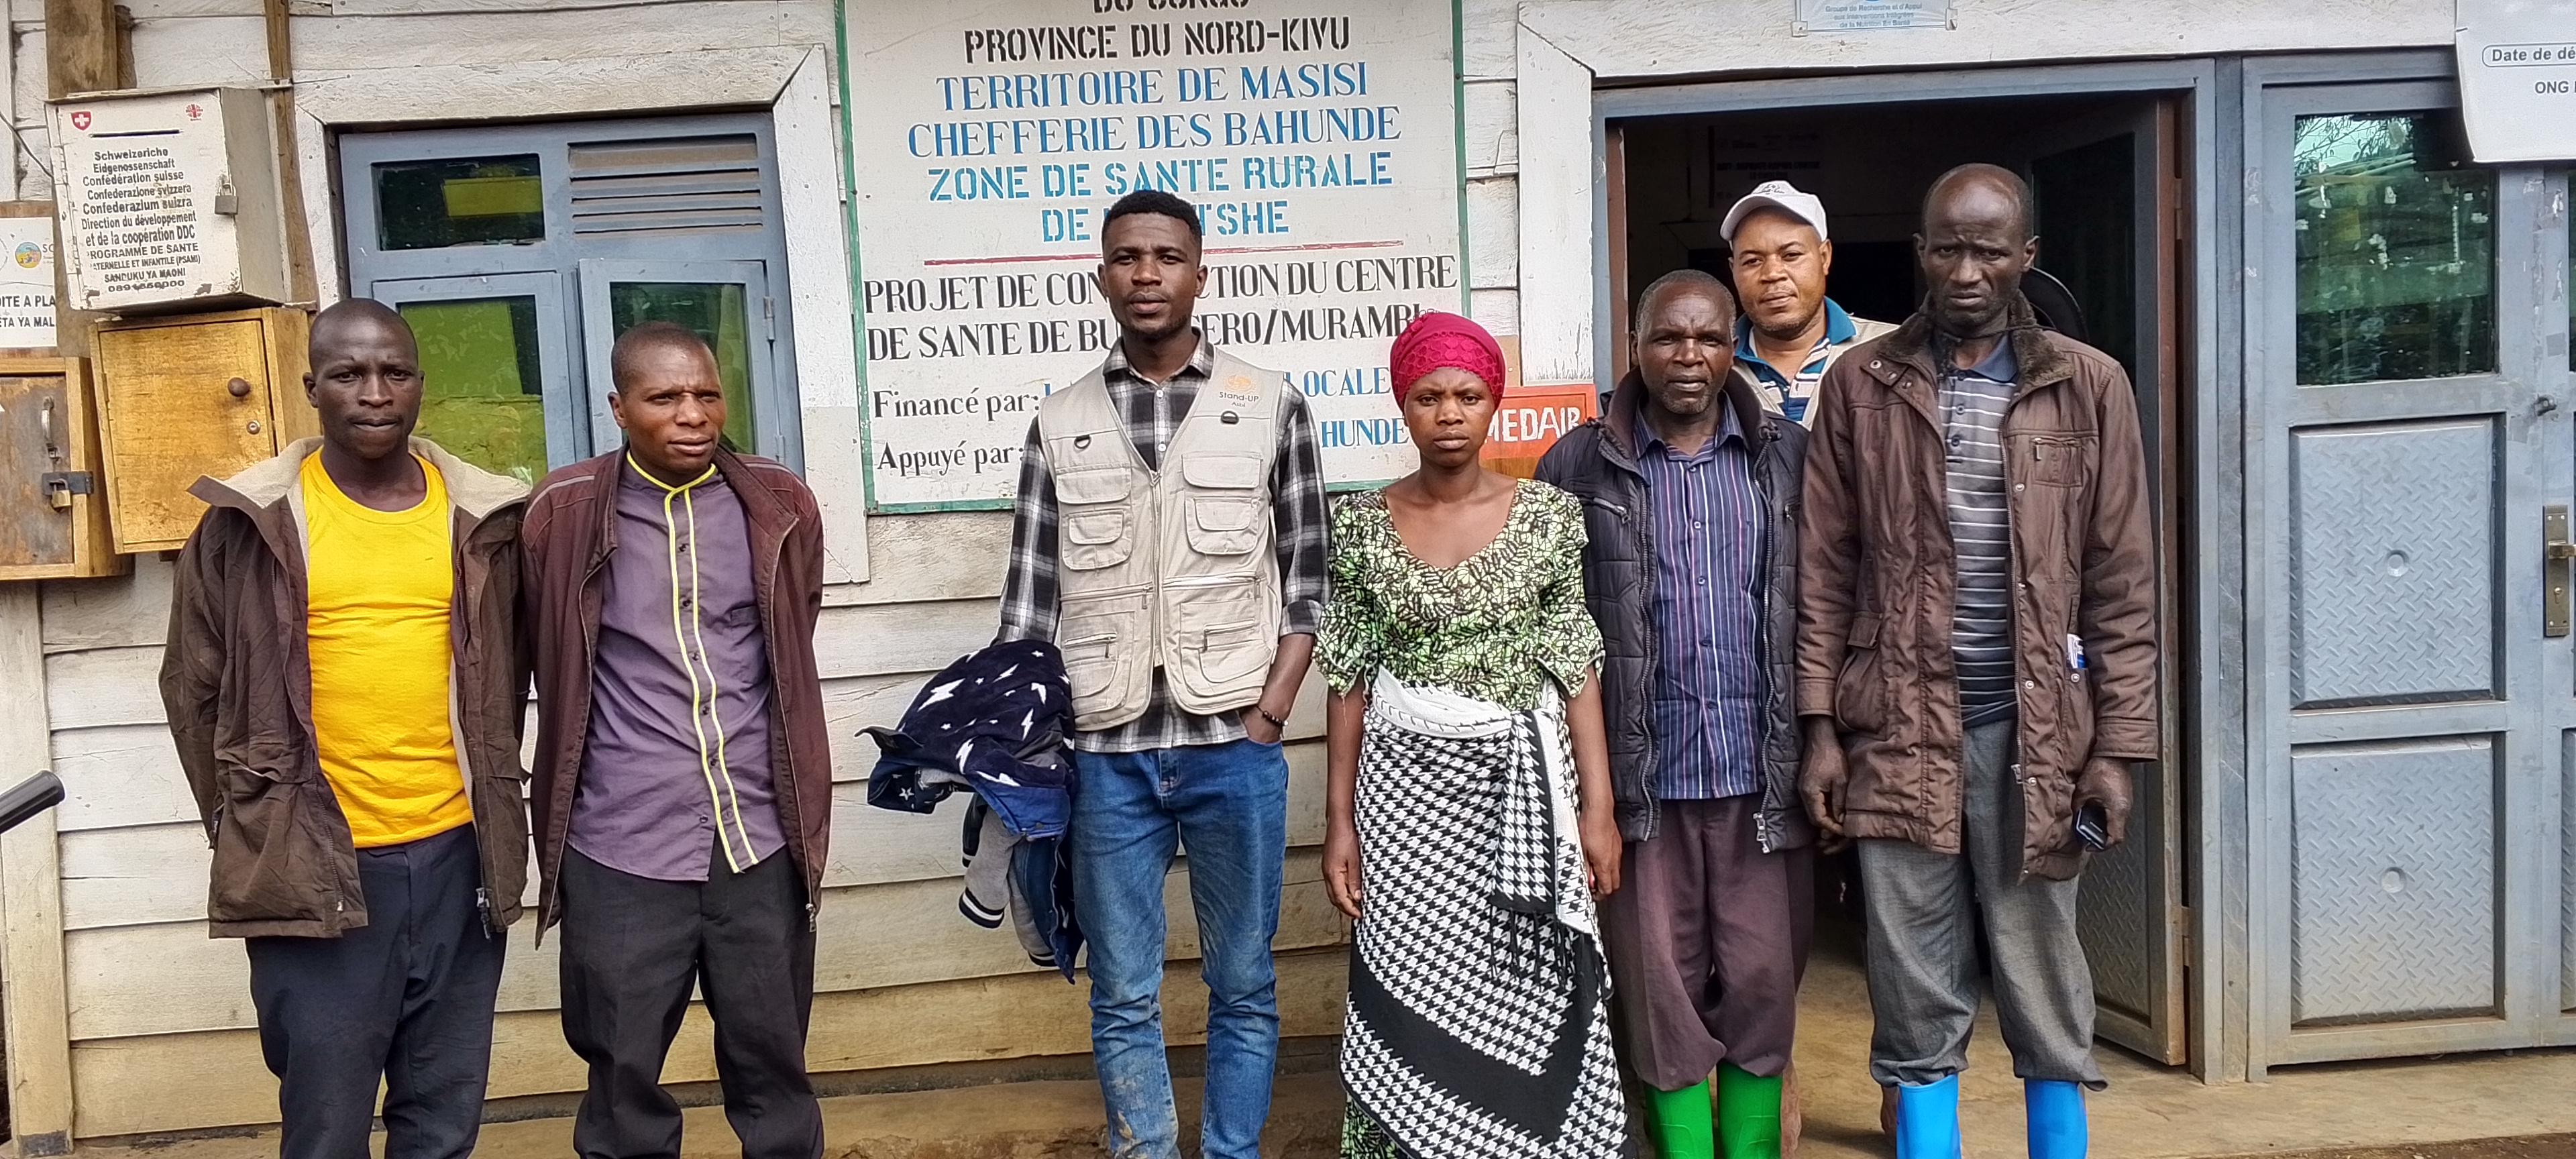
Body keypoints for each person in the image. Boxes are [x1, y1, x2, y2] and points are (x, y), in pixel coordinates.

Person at [1796, 164, 2159, 1159]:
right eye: (1948, 249)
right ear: (1920, 253)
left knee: (2041, 965)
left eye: (1989, 250)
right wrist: (1820, 729)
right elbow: (1822, 568)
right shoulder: (1861, 385)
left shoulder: (2089, 385)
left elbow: (2122, 580)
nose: (1966, 271)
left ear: (2025, 257)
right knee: (1911, 971)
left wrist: (2116, 750)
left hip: (2037, 731)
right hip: (1896, 724)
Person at [997, 188, 1328, 1159]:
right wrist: (1027, 754)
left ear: (1198, 273)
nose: (1147, 274)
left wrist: (1271, 712)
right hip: (1106, 758)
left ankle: (1230, 1152)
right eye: (1128, 257)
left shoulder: (1270, 404)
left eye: (1166, 257)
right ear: (1102, 276)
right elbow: (1028, 606)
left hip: (1234, 748)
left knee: (1244, 983)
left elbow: (1310, 581)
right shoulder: (1060, 420)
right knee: (1123, 991)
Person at [160, 299, 531, 1159]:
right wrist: (248, 820)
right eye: (348, 374)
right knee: (326, 1123)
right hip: (312, 859)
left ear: (421, 386)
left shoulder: (482, 520)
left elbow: (511, 673)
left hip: (459, 854)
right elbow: (193, 687)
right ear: (310, 388)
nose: (374, 393)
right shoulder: (247, 522)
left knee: (442, 1118)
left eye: (394, 373)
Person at [521, 322, 831, 1159]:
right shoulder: (561, 513)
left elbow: (793, 628)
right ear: (619, 408)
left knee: (774, 1070)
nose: (692, 415)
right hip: (619, 847)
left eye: (706, 395)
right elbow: (539, 648)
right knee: (622, 1079)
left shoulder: (779, 503)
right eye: (664, 398)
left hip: (757, 839)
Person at [1320, 311, 1625, 1158]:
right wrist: (1340, 822)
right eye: (1428, 397)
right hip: (1404, 809)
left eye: (1468, 395)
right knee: (1408, 978)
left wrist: (1598, 811)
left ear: (1494, 404)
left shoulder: (1549, 518)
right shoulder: (1359, 524)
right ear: (1403, 407)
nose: (1449, 413)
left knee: (1526, 984)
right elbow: (1346, 679)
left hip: (1522, 803)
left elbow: (1577, 666)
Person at [1537, 270, 1813, 1159]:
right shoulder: (1576, 467)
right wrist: (1588, 797)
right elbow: (1552, 635)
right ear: (1636, 346)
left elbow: (1829, 606)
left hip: (1761, 779)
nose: (1687, 356)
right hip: (1641, 789)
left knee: (1764, 985)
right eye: (1667, 337)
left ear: (1733, 347)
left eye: (1707, 338)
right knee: (1659, 994)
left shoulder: (1789, 457)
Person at [1721, 180, 1896, 425]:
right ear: (1734, 270)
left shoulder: (1894, 349)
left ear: (1824, 257)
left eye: (1791, 255)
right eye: (1752, 261)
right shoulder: (1710, 363)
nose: (1773, 273)